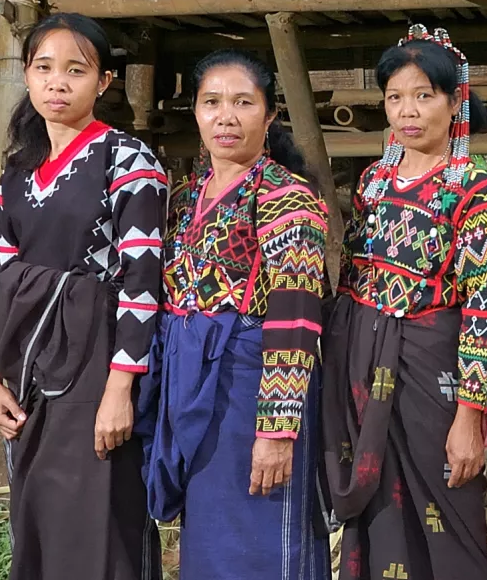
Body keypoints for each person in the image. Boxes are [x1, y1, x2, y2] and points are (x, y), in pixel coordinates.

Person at [0, 13, 168, 580]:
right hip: (25, 360)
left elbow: (143, 280)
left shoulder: (129, 162)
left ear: (103, 83)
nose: (58, 82)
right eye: (44, 68)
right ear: (27, 77)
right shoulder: (17, 169)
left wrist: (120, 389)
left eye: (76, 71)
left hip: (97, 361)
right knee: (38, 509)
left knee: (97, 512)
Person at [322, 25, 487, 580]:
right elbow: (350, 284)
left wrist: (470, 417)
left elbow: (485, 307)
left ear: (455, 102)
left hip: (435, 373)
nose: (408, 111)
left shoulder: (478, 191)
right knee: (378, 512)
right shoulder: (372, 182)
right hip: (364, 367)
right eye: (395, 97)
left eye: (424, 95)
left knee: (448, 517)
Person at [142, 50, 329, 579]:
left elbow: (295, 322)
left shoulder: (287, 199)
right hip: (192, 390)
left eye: (244, 103)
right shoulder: (185, 199)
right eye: (212, 103)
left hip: (250, 392)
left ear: (269, 116)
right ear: (196, 114)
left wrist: (275, 431)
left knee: (261, 539)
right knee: (209, 537)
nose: (226, 117)